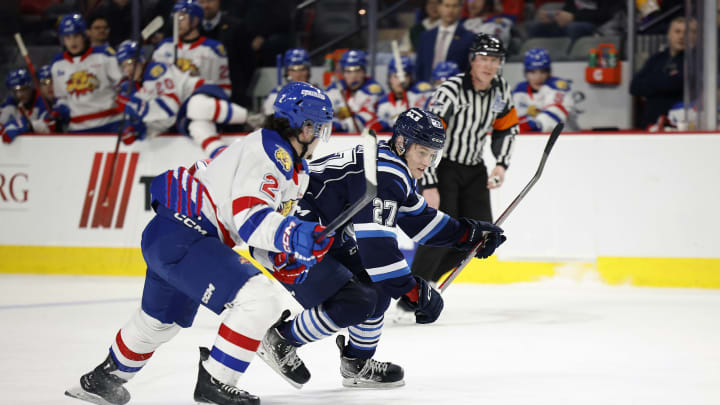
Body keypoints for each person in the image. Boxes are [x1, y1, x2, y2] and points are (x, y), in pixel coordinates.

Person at [64, 81, 336, 405]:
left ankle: (102, 379)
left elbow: (255, 232)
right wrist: (295, 234)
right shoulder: (269, 151)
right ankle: (216, 382)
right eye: (317, 128)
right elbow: (250, 218)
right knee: (259, 300)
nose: (320, 136)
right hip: (186, 234)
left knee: (158, 323)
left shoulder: (291, 167)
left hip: (175, 236)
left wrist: (285, 258)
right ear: (302, 127)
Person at [253, 108, 506, 389]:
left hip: (319, 233)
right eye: (422, 152)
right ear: (401, 143)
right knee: (356, 301)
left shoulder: (391, 166)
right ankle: (281, 340)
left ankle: (356, 363)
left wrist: (467, 234)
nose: (428, 162)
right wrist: (413, 290)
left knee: (378, 288)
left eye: (433, 154)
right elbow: (378, 251)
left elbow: (418, 220)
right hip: (286, 237)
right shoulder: (387, 174)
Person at [411, 33, 518, 284]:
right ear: (472, 60)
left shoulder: (500, 89)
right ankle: (412, 293)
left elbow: (506, 128)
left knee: (481, 237)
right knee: (441, 232)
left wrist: (501, 164)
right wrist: (428, 184)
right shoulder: (451, 90)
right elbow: (428, 135)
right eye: (484, 58)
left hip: (474, 169)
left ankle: (424, 284)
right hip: (444, 169)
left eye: (495, 59)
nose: (490, 65)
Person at [115, 40, 248, 158]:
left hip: (201, 91)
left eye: (131, 62)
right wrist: (136, 130)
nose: (128, 69)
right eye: (124, 65)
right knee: (197, 129)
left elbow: (170, 106)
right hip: (183, 113)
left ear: (141, 60)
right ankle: (223, 157)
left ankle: (250, 118)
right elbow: (165, 122)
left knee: (196, 107)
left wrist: (137, 107)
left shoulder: (155, 70)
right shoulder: (131, 91)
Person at [49, 13, 124, 133]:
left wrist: (124, 95)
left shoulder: (104, 55)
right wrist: (59, 109)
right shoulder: (57, 64)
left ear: (85, 36)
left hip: (111, 123)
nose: (72, 41)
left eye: (76, 36)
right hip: (77, 128)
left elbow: (123, 83)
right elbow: (62, 97)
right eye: (67, 37)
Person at [152, 0, 232, 97]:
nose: (177, 22)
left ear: (195, 21)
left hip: (198, 105)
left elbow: (223, 89)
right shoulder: (164, 46)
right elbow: (153, 82)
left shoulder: (213, 49)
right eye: (175, 17)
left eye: (182, 17)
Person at [630, 16, 694, 129]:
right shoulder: (656, 59)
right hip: (651, 125)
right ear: (669, 34)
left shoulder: (695, 61)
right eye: (677, 31)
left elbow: (676, 83)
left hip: (679, 125)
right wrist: (665, 80)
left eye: (687, 32)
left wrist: (652, 83)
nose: (681, 36)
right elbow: (634, 86)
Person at [198, 0, 256, 107]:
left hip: (233, 96)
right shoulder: (191, 29)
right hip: (198, 94)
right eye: (201, 2)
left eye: (209, 1)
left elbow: (248, 63)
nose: (205, 6)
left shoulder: (236, 27)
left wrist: (239, 90)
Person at [512, 48, 574, 132]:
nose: (538, 77)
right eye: (533, 72)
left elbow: (555, 114)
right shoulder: (519, 90)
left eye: (542, 72)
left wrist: (532, 124)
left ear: (549, 72)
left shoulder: (558, 87)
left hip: (564, 138)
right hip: (529, 139)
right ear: (525, 73)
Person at [325, 49, 385, 132]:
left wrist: (335, 124)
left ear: (364, 72)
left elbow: (362, 123)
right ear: (343, 73)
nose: (353, 76)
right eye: (348, 71)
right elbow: (321, 112)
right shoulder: (334, 89)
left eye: (357, 71)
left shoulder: (373, 91)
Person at [416, 0, 475, 83]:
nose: (450, 10)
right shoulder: (425, 37)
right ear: (439, 7)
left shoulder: (469, 37)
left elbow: (469, 69)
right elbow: (420, 68)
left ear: (460, 8)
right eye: (447, 6)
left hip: (455, 90)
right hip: (427, 90)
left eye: (454, 6)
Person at [369, 56, 433, 132]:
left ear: (410, 78)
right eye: (395, 76)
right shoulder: (383, 103)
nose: (400, 81)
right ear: (389, 78)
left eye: (405, 76)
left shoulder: (420, 95)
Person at [526, 0, 625, 42]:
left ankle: (569, 60)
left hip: (599, 26)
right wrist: (554, 17)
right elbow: (567, 10)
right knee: (536, 28)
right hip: (572, 22)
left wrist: (574, 17)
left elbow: (605, 14)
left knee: (574, 28)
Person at [0, 68, 54, 143]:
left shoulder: (41, 100)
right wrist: (8, 127)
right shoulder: (9, 103)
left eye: (23, 89)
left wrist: (28, 125)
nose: (19, 95)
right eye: (15, 91)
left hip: (42, 146)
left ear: (30, 87)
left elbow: (49, 126)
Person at [262, 48, 312, 116]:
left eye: (302, 69)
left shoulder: (319, 94)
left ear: (308, 71)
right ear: (287, 72)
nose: (298, 74)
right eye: (293, 70)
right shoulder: (275, 96)